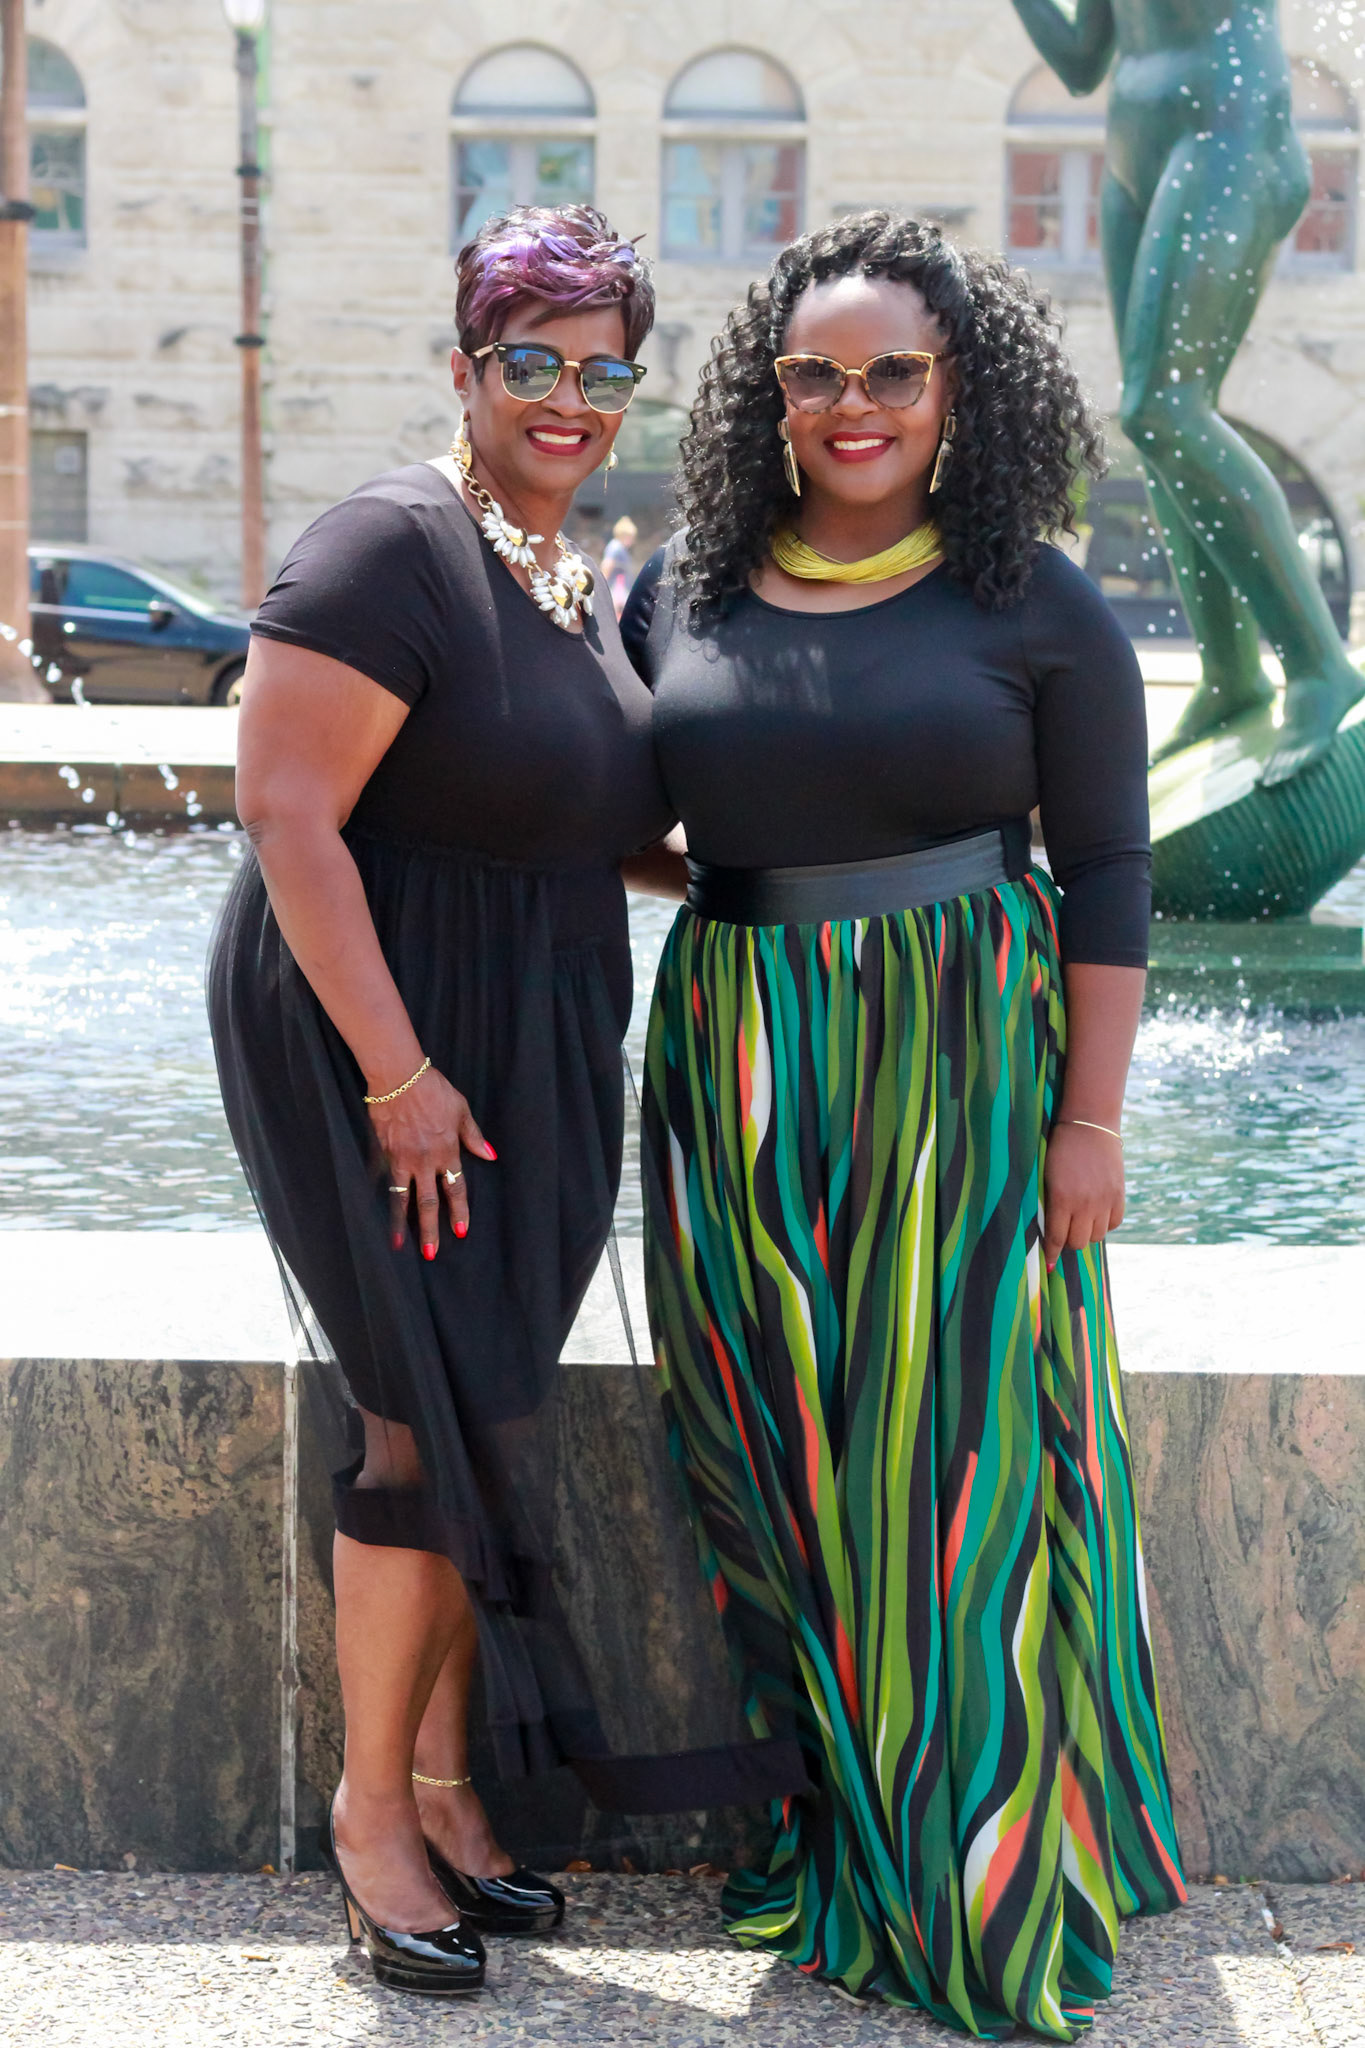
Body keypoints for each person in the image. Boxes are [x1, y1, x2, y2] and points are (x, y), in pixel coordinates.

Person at [622, 211, 1186, 2040]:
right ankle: (842, 1830)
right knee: (775, 1461)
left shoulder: (1035, 599)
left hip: (958, 1065)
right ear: (767, 392)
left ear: (961, 389)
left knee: (950, 1472)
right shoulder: (686, 586)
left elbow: (1109, 870)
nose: (851, 404)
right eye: (815, 372)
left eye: (893, 372)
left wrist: (1090, 1123)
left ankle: (979, 1877)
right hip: (738, 1062)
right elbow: (635, 812)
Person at [208, 205, 678, 1998]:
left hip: (532, 1031)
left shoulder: (562, 566)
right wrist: (397, 1075)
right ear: (465, 366)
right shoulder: (387, 544)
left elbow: (565, 812)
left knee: (484, 1406)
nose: (568, 397)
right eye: (531, 361)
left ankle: (445, 1779)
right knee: (417, 1413)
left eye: (602, 370)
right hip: (388, 1029)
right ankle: (371, 1816)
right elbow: (286, 810)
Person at [1012, 0, 1363, 784]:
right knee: (1159, 430)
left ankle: (1317, 665)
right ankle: (1230, 676)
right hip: (1133, 158)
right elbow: (1080, 63)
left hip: (1230, 138)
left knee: (1161, 408)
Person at [602, 514, 639, 616]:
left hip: (621, 590)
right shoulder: (615, 546)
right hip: (616, 590)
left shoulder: (621, 548)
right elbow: (607, 565)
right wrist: (602, 587)